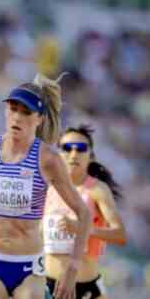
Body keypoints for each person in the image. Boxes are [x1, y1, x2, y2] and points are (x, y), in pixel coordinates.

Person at [0, 73, 91, 299]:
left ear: (39, 119)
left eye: (26, 112)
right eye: (13, 109)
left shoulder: (47, 159)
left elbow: (83, 213)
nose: (17, 117)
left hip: (28, 268)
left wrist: (73, 267)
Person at [44, 125, 126, 299]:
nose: (73, 154)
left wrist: (84, 229)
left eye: (81, 148)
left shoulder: (97, 190)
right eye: (67, 148)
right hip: (47, 285)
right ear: (58, 154)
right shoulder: (48, 188)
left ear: (91, 156)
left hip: (85, 289)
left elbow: (120, 235)